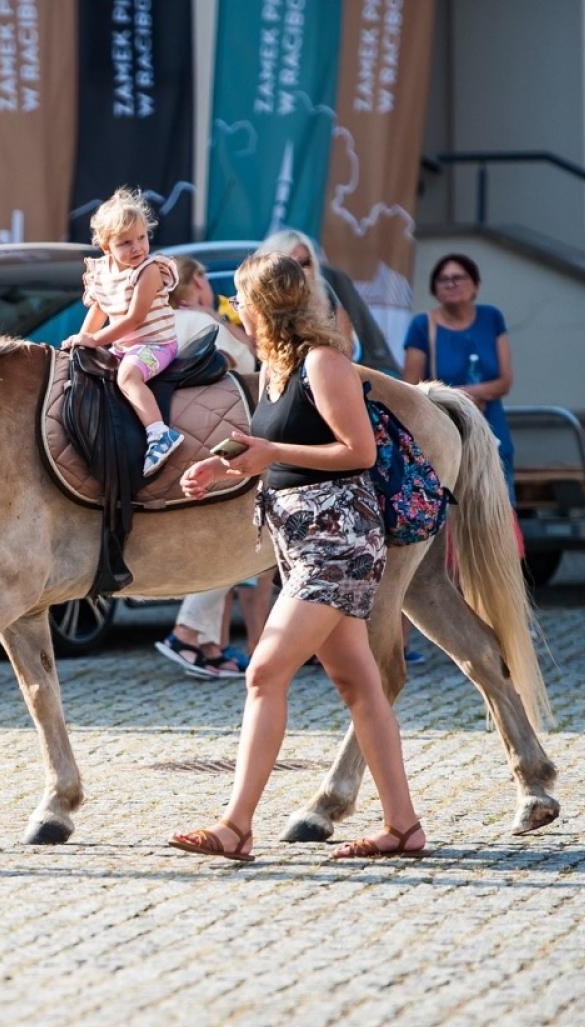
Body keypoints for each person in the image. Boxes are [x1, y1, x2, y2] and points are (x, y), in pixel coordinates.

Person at [171, 251, 427, 861]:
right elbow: (272, 445)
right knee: (357, 682)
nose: (237, 313)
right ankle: (404, 828)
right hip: (299, 539)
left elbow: (357, 451)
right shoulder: (277, 368)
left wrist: (268, 452)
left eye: (240, 302)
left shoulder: (324, 362)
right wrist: (222, 463)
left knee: (264, 671)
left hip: (339, 539)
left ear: (263, 306)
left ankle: (235, 826)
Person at [155, 256, 266, 680]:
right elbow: (251, 370)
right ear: (192, 282)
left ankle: (204, 643)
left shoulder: (156, 323)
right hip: (212, 440)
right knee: (233, 541)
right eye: (201, 275)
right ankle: (186, 633)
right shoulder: (203, 322)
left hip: (167, 439)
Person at [63, 186, 185, 476]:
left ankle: (159, 433)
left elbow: (135, 318)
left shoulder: (149, 270)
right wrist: (81, 342)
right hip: (124, 347)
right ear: (106, 247)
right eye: (125, 242)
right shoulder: (101, 272)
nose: (137, 248)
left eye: (142, 238)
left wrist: (94, 340)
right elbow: (99, 309)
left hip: (156, 344)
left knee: (127, 376)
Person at [402, 253, 515, 495]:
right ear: (434, 289)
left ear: (475, 285)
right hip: (449, 432)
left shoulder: (492, 318)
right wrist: (464, 399)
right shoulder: (422, 326)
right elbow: (411, 389)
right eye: (443, 280)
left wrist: (469, 393)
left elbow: (505, 381)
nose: (451, 284)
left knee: (501, 512)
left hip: (492, 428)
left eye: (458, 278)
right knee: (456, 517)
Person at [257, 229, 357, 355]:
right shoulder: (255, 309)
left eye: (305, 263)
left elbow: (345, 361)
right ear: (272, 270)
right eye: (292, 265)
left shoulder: (334, 311)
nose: (301, 271)